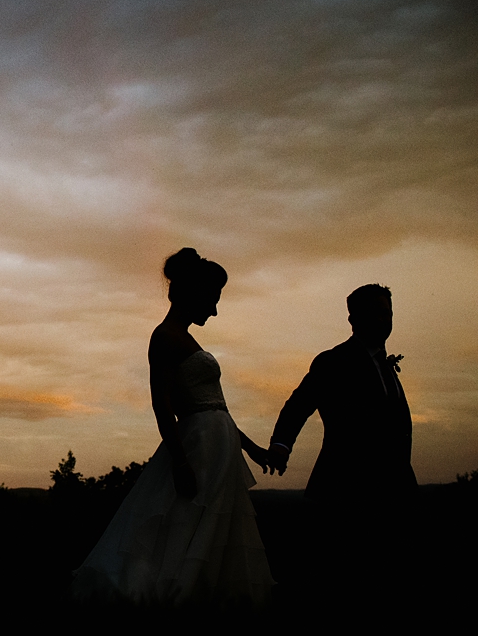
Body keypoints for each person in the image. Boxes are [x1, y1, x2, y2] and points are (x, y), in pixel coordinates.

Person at [71, 248, 276, 608]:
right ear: (193, 292)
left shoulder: (187, 338)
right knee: (186, 522)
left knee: (214, 526)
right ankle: (173, 597)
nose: (214, 310)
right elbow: (162, 404)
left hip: (220, 447)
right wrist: (180, 462)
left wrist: (253, 448)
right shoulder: (164, 336)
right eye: (212, 300)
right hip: (196, 448)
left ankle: (203, 598)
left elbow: (217, 407)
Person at [266, 284, 416, 598]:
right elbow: (298, 405)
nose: (382, 320)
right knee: (347, 578)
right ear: (353, 319)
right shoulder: (334, 361)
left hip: (395, 489)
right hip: (348, 487)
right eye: (374, 313)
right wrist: (281, 444)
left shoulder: (387, 367)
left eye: (387, 313)